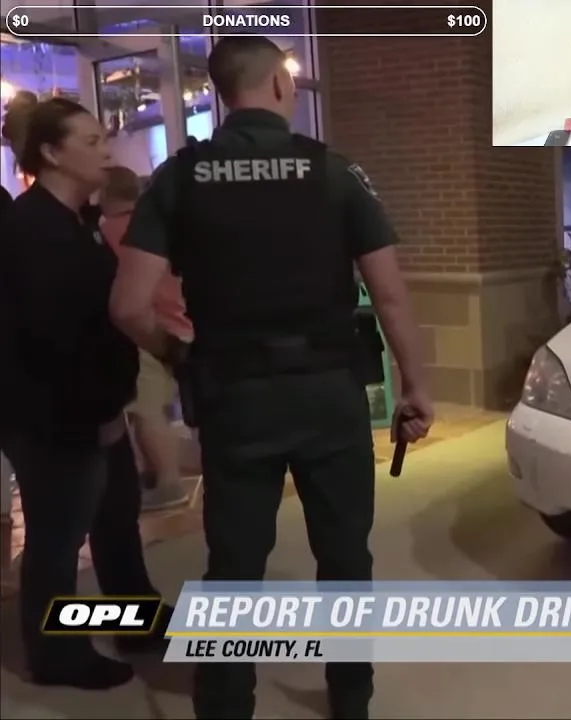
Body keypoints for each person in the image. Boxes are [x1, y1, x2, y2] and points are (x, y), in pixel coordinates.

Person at [109, 36, 434, 720]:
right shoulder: (336, 172)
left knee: (234, 564)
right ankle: (351, 697)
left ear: (222, 93)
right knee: (344, 556)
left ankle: (226, 703)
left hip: (235, 398)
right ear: (281, 86)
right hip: (328, 393)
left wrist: (180, 356)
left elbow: (128, 306)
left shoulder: (179, 177)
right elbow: (391, 295)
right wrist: (415, 385)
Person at [0, 97, 170, 690]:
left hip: (95, 407)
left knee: (117, 520)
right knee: (58, 537)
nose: (106, 151)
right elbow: (50, 338)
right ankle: (55, 655)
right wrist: (93, 410)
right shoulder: (32, 229)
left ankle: (134, 620)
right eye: (92, 141)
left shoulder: (77, 221)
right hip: (54, 418)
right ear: (51, 153)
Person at [100, 166, 193, 511]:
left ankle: (168, 482)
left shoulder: (111, 230)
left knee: (146, 410)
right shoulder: (157, 225)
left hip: (148, 328)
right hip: (181, 322)